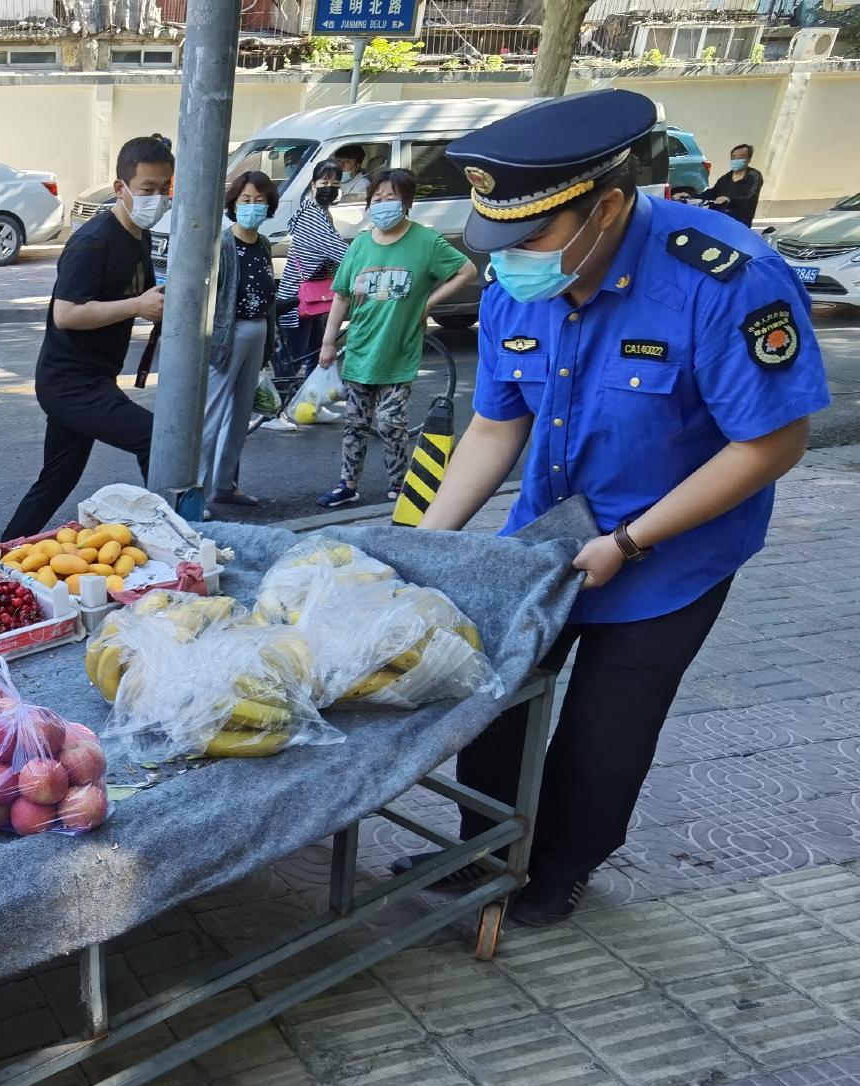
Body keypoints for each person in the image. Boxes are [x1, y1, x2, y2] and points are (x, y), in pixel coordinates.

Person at [402, 89, 827, 927]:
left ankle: (561, 865)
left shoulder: (727, 281)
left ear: (607, 206)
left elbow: (772, 444)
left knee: (604, 735)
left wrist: (630, 542)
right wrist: (423, 542)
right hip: (549, 542)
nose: (513, 258)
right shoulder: (514, 287)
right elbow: (497, 422)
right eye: (501, 242)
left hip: (672, 553)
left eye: (532, 237)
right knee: (491, 703)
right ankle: (488, 849)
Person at [3, 135, 172, 541]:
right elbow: (66, 313)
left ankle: (1, 553)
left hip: (94, 379)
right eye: (147, 190)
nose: (158, 200)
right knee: (156, 439)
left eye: (164, 189)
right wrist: (136, 307)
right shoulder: (93, 241)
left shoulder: (139, 235)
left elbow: (143, 293)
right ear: (121, 188)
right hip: (70, 384)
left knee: (56, 480)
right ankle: (174, 539)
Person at [316, 169, 477, 508]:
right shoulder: (359, 245)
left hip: (400, 351)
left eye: (391, 198)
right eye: (377, 198)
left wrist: (429, 302)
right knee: (355, 424)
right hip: (360, 349)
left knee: (391, 422)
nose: (383, 204)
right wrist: (329, 343)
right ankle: (347, 484)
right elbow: (341, 296)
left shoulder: (426, 242)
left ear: (406, 202)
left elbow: (466, 271)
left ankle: (399, 483)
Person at [200, 171, 279, 512]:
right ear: (233, 204)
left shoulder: (262, 244)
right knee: (212, 415)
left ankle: (225, 485)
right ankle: (196, 493)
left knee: (240, 417)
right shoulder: (223, 244)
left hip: (258, 330)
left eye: (259, 200)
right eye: (245, 200)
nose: (252, 206)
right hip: (228, 336)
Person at [273, 159, 347, 391]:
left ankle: (309, 404)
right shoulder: (312, 217)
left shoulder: (319, 212)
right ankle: (277, 411)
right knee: (291, 361)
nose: (329, 187)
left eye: (335, 183)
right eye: (324, 182)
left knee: (315, 355)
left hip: (310, 300)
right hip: (296, 301)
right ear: (313, 185)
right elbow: (339, 251)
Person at [699, 142, 763, 227]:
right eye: (734, 157)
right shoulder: (725, 178)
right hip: (720, 221)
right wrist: (690, 195)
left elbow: (750, 196)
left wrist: (729, 200)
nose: (736, 160)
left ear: (748, 159)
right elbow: (713, 192)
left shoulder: (754, 176)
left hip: (740, 224)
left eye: (741, 157)